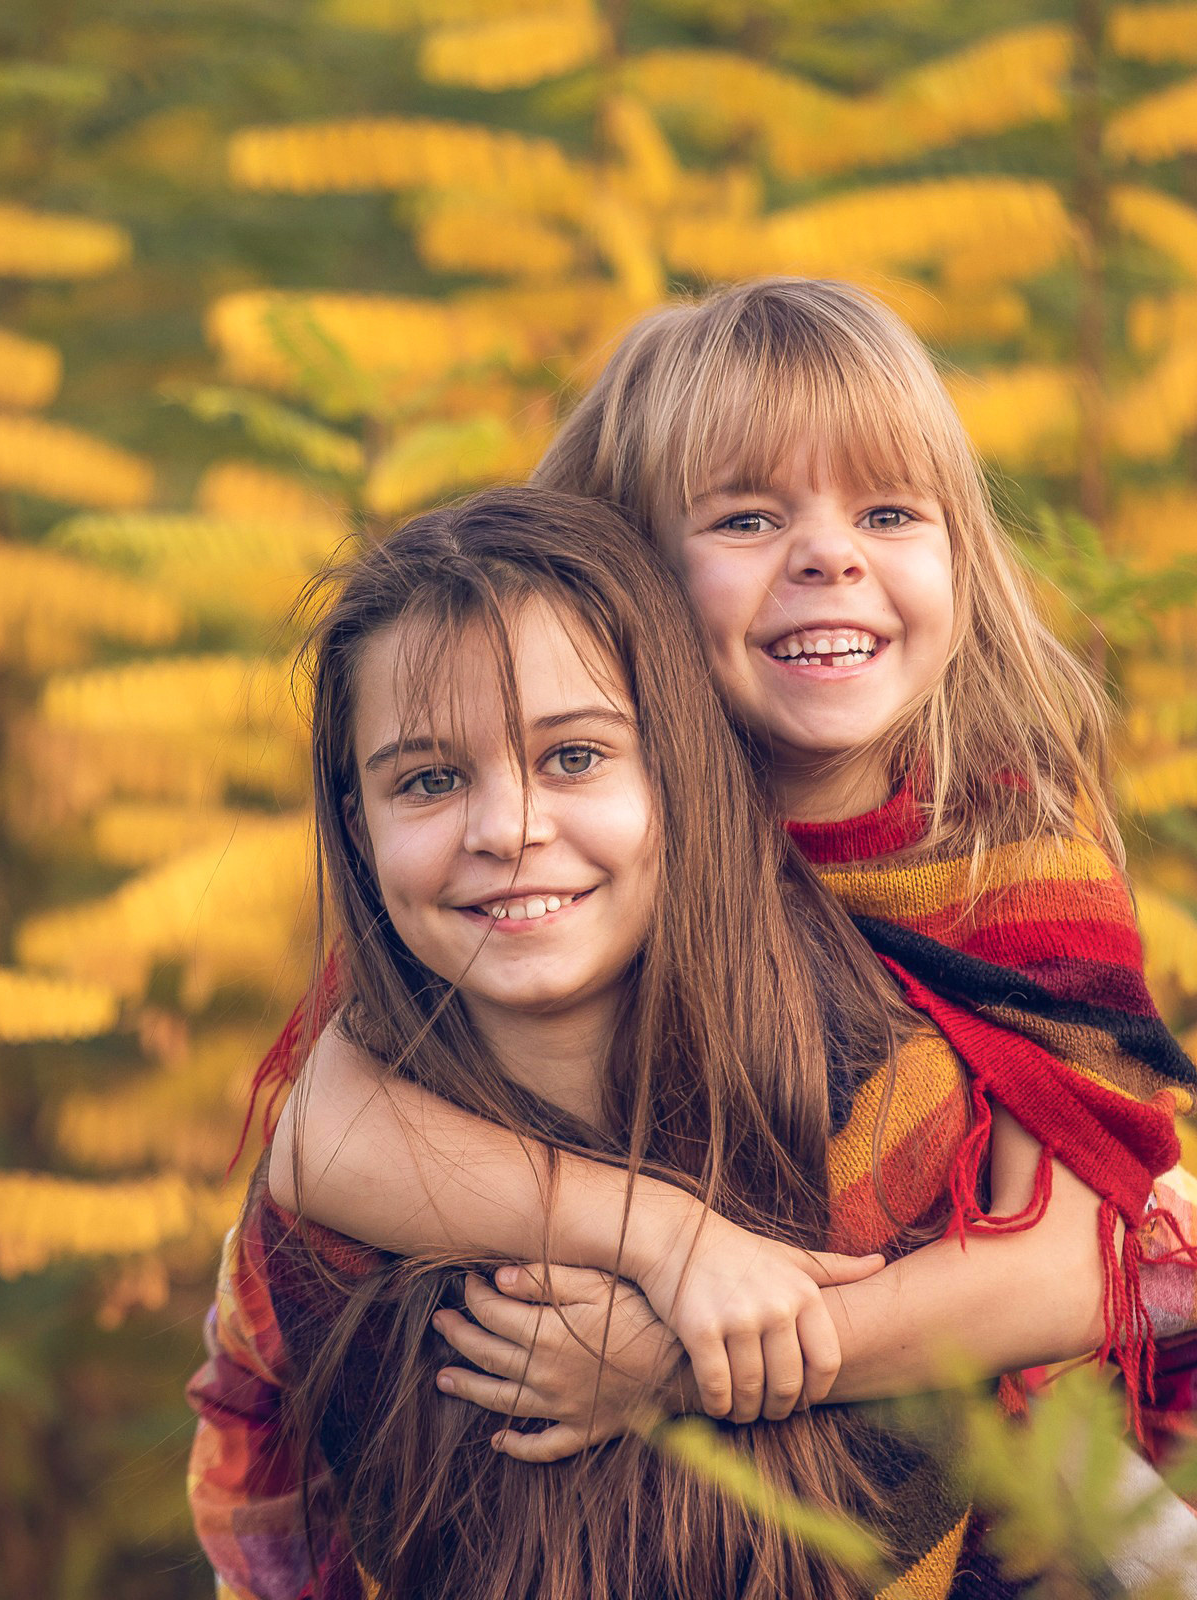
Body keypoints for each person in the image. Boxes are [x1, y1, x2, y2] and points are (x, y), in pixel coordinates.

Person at [200, 280, 1197, 1592]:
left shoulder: (1005, 856)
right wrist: (668, 1243)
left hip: (1034, 1384)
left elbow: (1082, 1264)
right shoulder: (564, 808)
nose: (831, 557)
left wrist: (678, 1352)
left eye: (890, 512)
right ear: (628, 578)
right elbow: (328, 1131)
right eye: (747, 517)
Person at [196, 485, 1021, 1599]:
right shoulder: (324, 1231)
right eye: (429, 781)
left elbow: (1129, 1359)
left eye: (574, 757)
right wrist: (661, 1241)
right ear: (359, 825)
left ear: (673, 770)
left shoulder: (884, 1103)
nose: (508, 830)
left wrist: (704, 1351)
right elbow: (278, 1530)